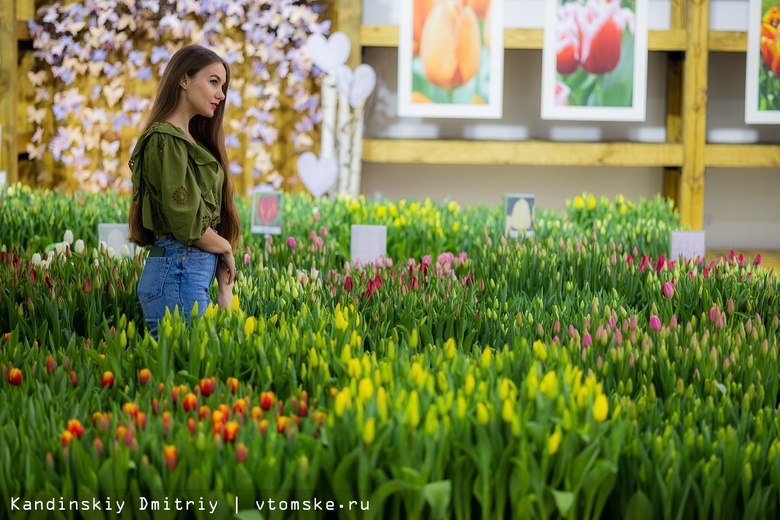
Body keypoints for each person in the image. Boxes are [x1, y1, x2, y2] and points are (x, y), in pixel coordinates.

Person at [128, 45, 240, 339]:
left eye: (223, 86)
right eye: (213, 82)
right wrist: (225, 247)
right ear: (184, 79)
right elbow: (187, 223)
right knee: (183, 375)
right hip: (177, 275)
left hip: (184, 273)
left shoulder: (189, 139)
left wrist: (220, 274)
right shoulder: (165, 139)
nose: (221, 94)